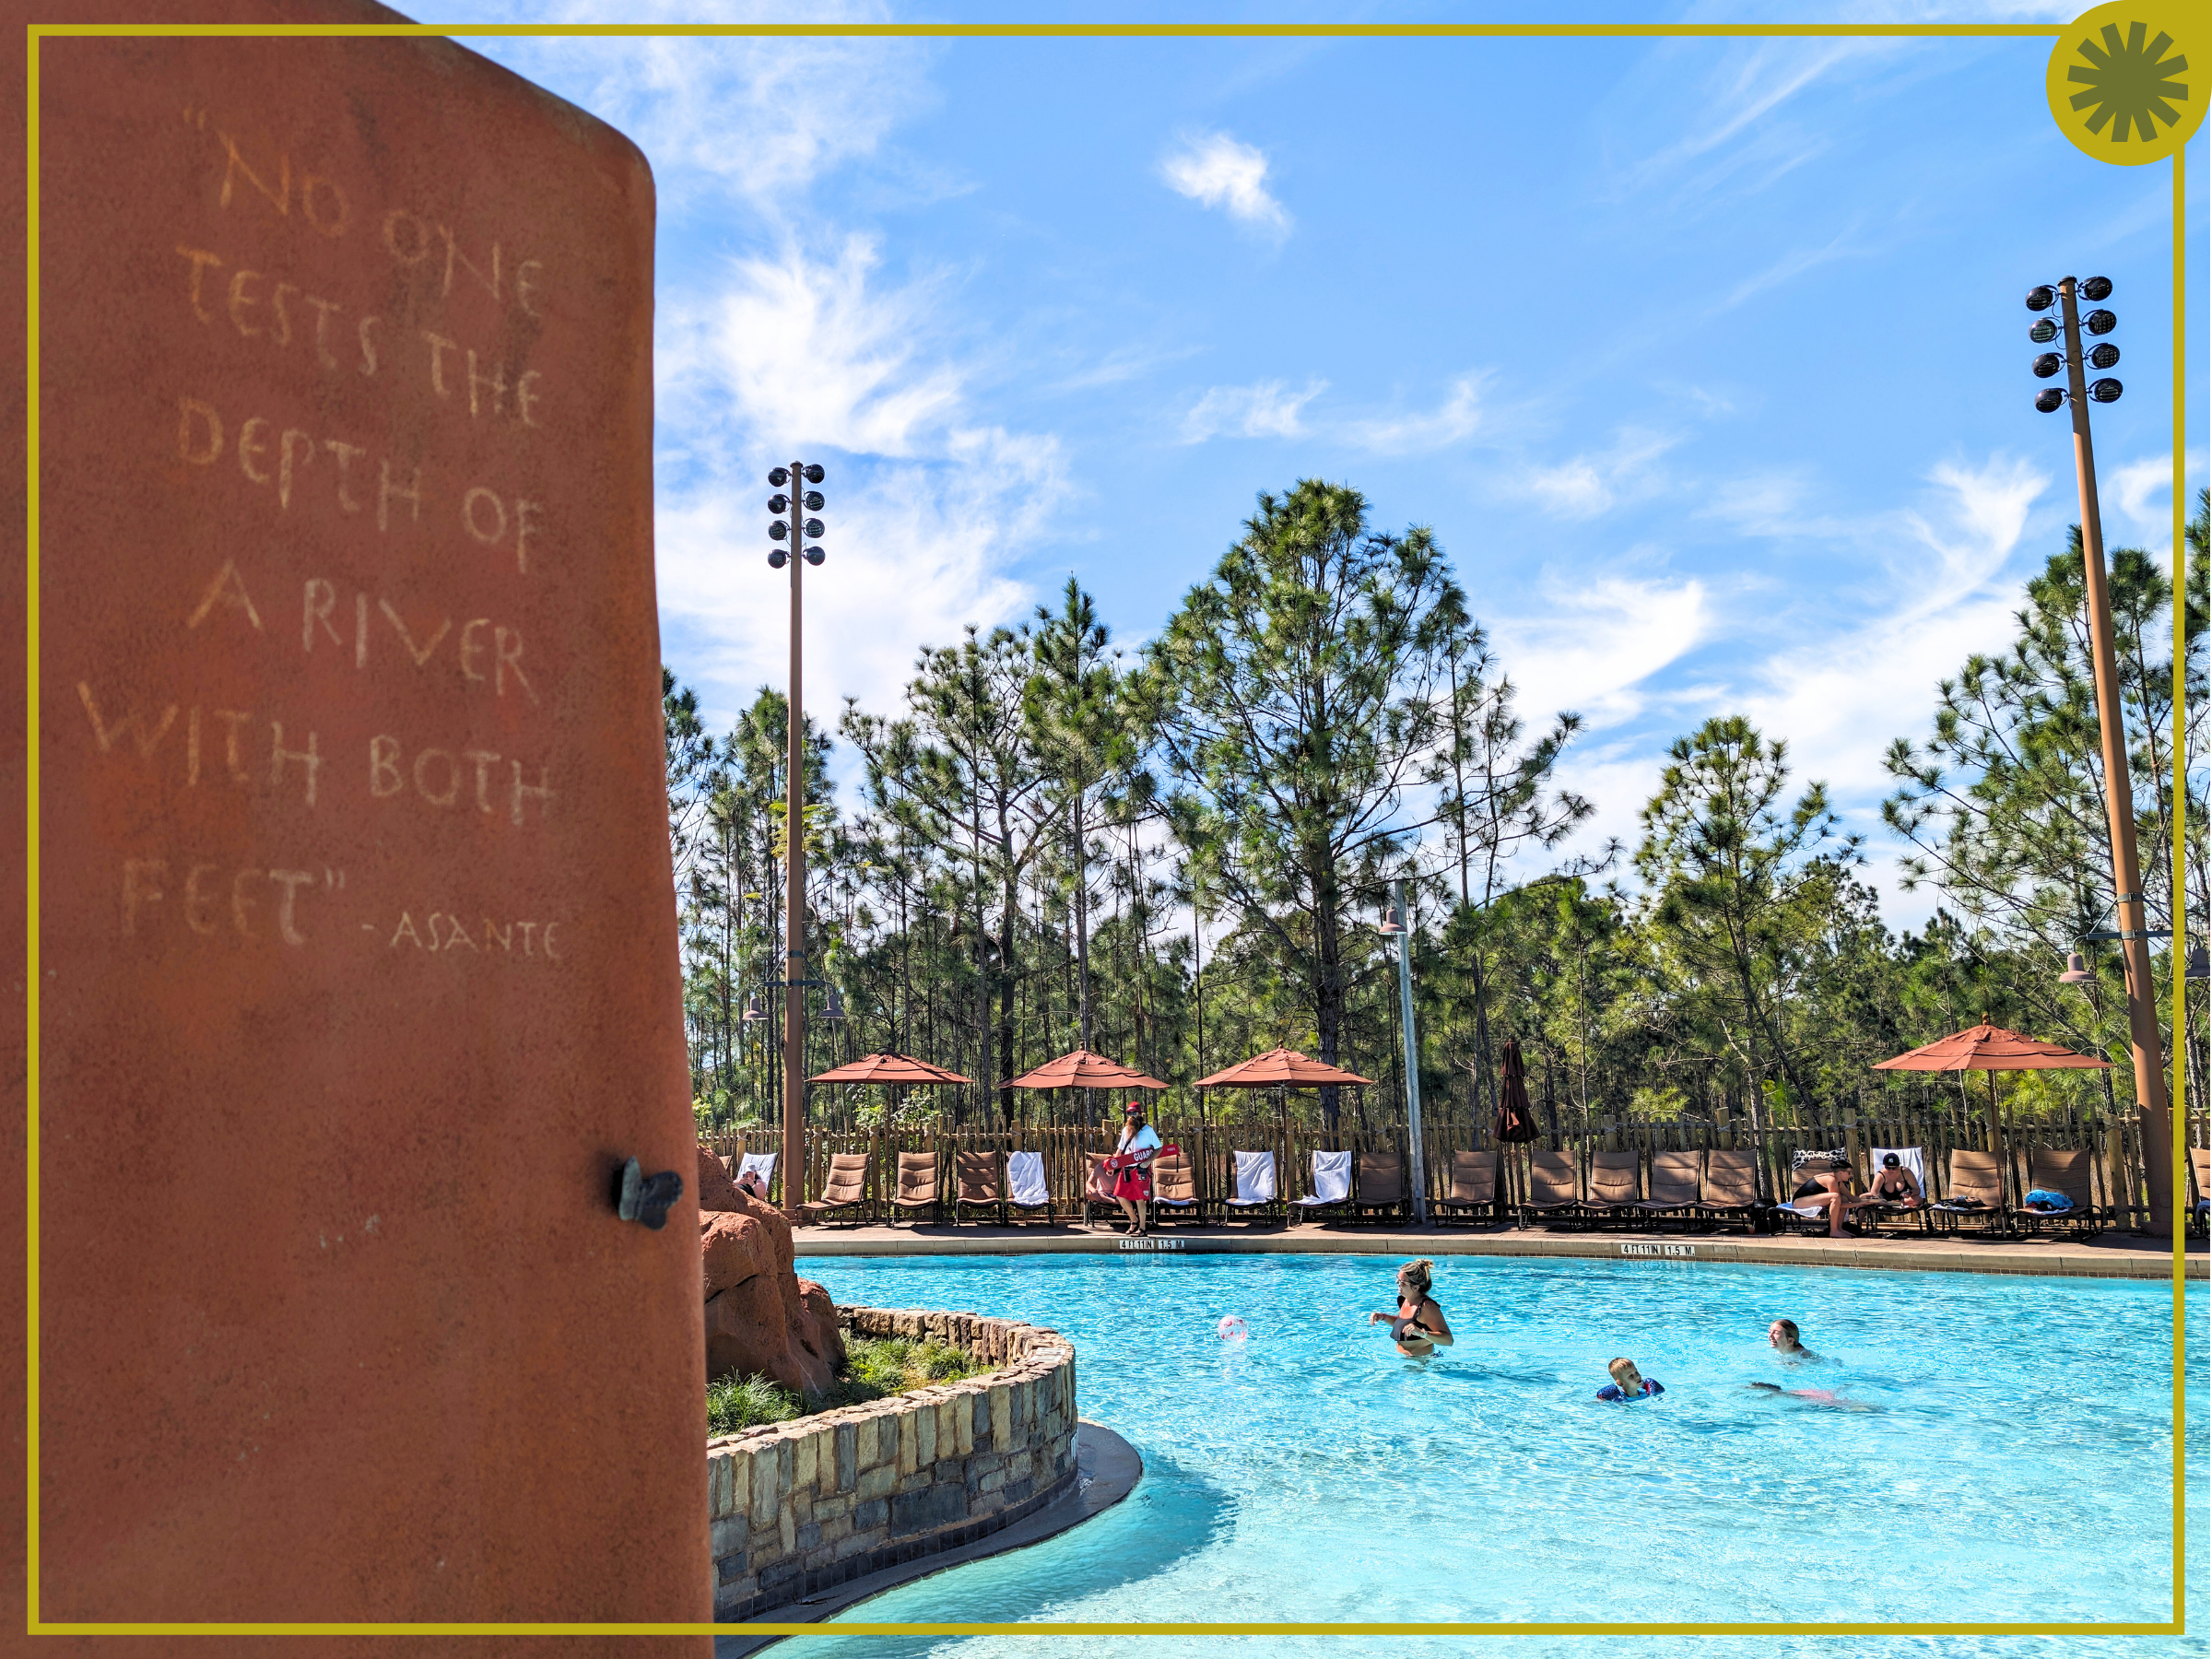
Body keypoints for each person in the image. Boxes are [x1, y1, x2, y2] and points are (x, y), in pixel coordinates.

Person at [1367, 1258, 1453, 1357]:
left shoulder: (1426, 1307)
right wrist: (1384, 1317)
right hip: (1403, 1360)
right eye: (1397, 1279)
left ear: (1415, 1287)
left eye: (1402, 1282)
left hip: (1422, 1363)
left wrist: (1422, 1333)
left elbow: (1448, 1340)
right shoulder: (1405, 1300)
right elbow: (1404, 1324)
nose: (1397, 1283)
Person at [1109, 1101, 1161, 1235]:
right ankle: (1134, 1220)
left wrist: (1148, 1162)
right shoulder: (1126, 1130)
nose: (1132, 1116)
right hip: (1126, 1169)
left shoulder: (1148, 1130)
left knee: (1140, 1200)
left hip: (1140, 1169)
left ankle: (1142, 1228)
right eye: (1129, 1113)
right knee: (1120, 1196)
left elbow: (1159, 1148)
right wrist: (1113, 1166)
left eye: (1134, 1113)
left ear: (1140, 1114)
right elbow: (1120, 1149)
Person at [1791, 1159, 1878, 1238]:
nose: (1850, 1175)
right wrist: (1860, 1204)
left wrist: (1871, 1201)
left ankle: (1839, 1228)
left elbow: (1852, 1198)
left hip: (1810, 1199)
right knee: (1836, 1197)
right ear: (1841, 1173)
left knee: (1844, 1198)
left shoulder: (1838, 1181)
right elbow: (1838, 1204)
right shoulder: (1831, 1180)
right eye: (1849, 1173)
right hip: (1799, 1202)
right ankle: (1834, 1230)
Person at [1596, 1357, 1664, 1402]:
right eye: (1631, 1376)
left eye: (1636, 1372)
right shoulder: (1619, 1398)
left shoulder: (1648, 1391)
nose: (1637, 1377)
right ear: (1620, 1383)